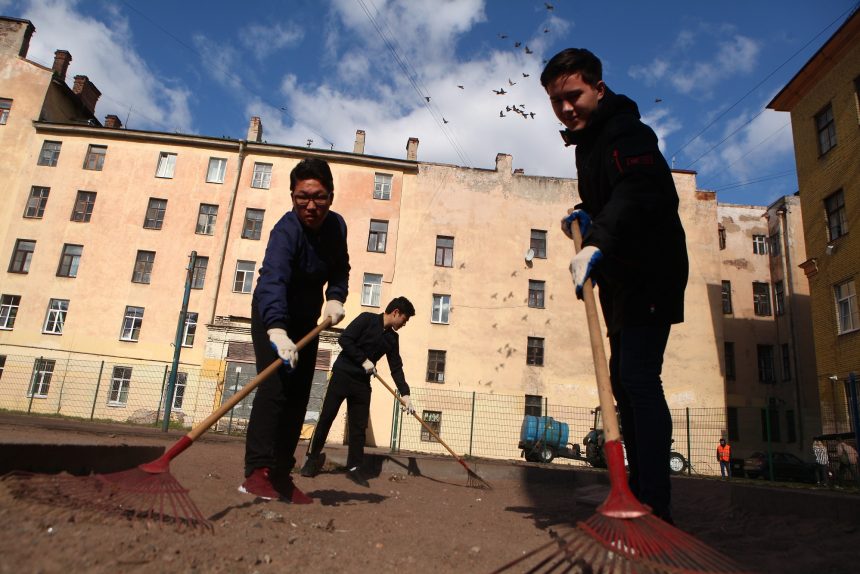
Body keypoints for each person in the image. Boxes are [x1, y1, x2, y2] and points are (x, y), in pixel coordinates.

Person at [541, 48, 688, 524]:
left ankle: (655, 503)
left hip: (650, 270)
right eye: (556, 101)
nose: (565, 108)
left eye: (573, 96)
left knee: (640, 378)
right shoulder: (592, 143)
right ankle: (636, 491)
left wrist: (596, 240)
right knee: (625, 381)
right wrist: (586, 216)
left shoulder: (627, 131)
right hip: (622, 276)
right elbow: (610, 194)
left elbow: (641, 189)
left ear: (598, 90)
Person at [240, 157, 350, 503]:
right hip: (272, 316)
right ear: (292, 195)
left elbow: (341, 268)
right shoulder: (285, 231)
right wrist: (275, 329)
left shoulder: (337, 227)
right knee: (275, 388)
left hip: (306, 321)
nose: (311, 205)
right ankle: (257, 473)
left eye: (319, 197)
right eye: (303, 197)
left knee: (300, 394)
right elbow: (273, 279)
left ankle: (281, 474)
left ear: (330, 196)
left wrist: (334, 297)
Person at [300, 297, 415, 487]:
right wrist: (363, 360)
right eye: (405, 318)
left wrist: (406, 394)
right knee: (326, 417)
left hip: (362, 384)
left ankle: (354, 468)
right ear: (395, 312)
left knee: (358, 427)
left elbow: (396, 367)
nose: (405, 323)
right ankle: (311, 459)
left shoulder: (392, 339)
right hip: (342, 375)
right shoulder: (366, 319)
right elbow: (344, 339)